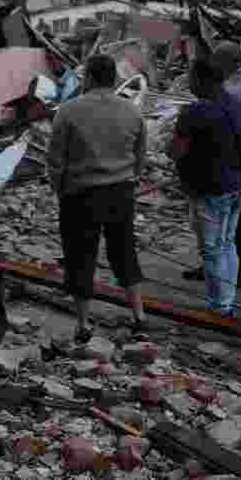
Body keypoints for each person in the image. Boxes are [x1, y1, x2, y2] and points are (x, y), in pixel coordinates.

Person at [48, 54, 149, 343]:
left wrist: (61, 189)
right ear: (114, 78)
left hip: (80, 195)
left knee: (80, 257)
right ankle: (139, 315)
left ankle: (83, 323)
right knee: (124, 251)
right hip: (121, 192)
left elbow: (55, 160)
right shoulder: (132, 112)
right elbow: (140, 157)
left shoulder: (67, 112)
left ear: (89, 78)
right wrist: (129, 179)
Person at [182, 42, 241, 289]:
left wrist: (240, 160)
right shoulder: (236, 84)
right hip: (226, 162)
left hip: (237, 163)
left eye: (217, 62)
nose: (214, 67)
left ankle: (235, 272)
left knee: (234, 220)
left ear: (229, 61)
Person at [169, 58, 241, 319]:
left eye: (191, 77)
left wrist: (175, 151)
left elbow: (177, 150)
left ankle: (219, 307)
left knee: (212, 250)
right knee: (227, 245)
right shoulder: (234, 105)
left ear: (202, 80)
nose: (189, 83)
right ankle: (227, 301)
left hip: (209, 190)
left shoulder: (194, 112)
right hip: (237, 186)